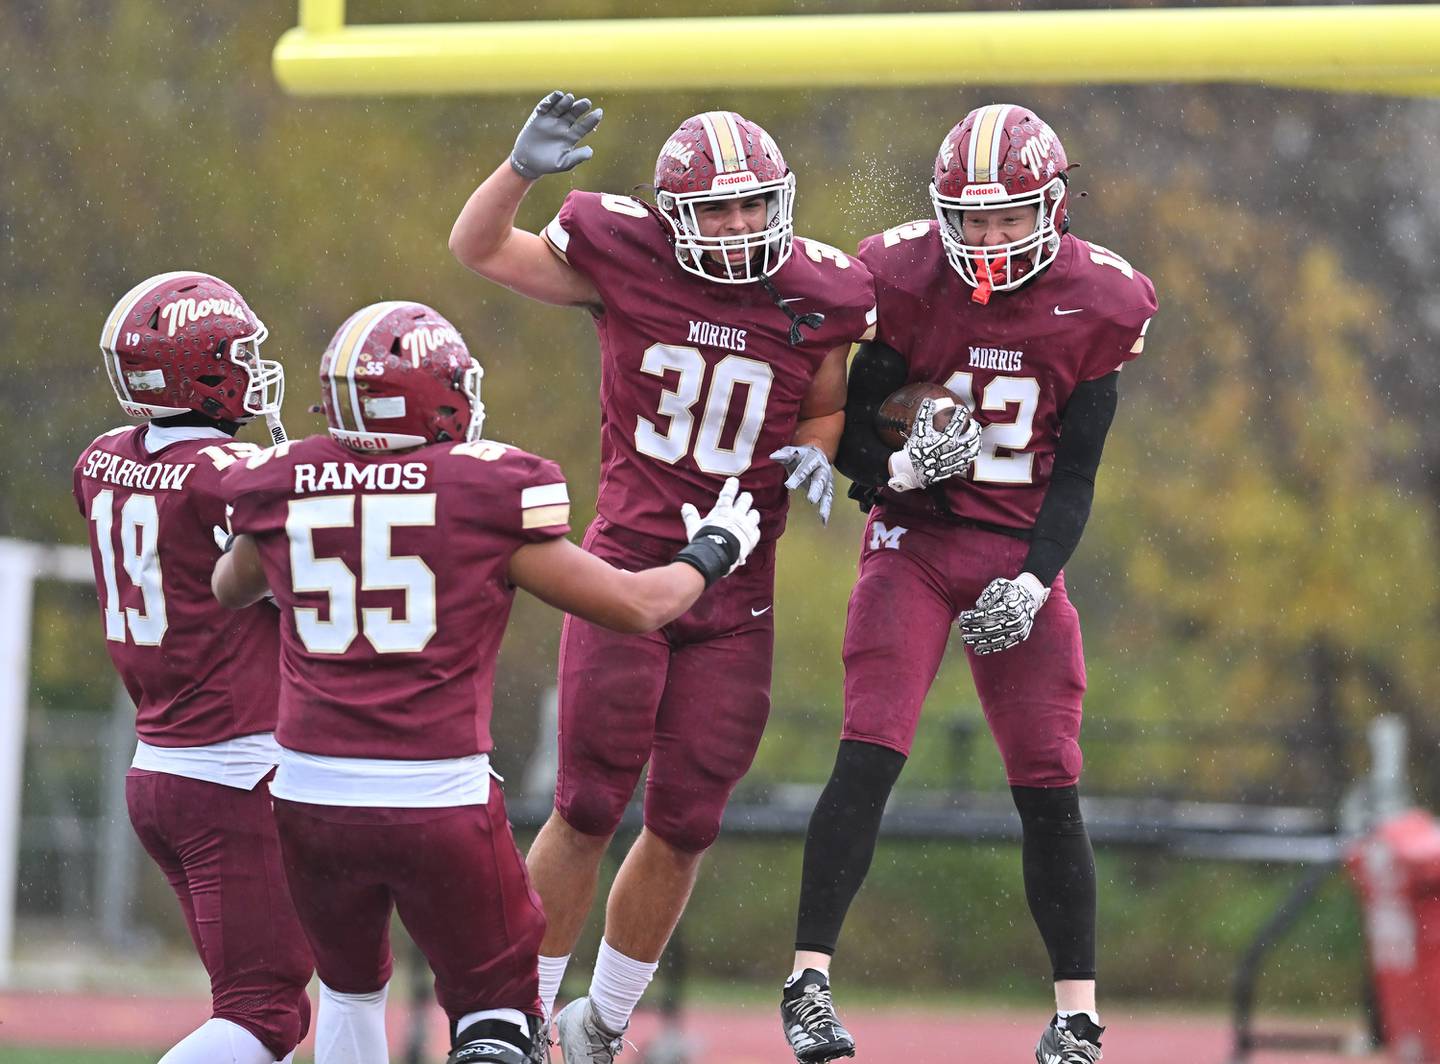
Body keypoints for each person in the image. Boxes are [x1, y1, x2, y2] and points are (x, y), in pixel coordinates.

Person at [211, 300, 761, 1064]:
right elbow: (637, 606)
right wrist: (712, 549)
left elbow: (228, 587)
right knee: (497, 1011)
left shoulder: (281, 482)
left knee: (345, 991)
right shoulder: (484, 490)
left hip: (310, 796)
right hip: (435, 795)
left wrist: (294, 553)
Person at [449, 93, 878, 1060]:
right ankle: (515, 1021)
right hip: (628, 567)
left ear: (782, 202)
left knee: (688, 819)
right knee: (590, 803)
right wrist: (517, 171)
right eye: (714, 210)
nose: (735, 227)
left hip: (740, 594)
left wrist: (820, 446)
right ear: (674, 216)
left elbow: (819, 406)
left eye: (751, 206)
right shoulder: (625, 254)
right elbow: (480, 249)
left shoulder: (822, 293)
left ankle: (599, 1024)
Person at [778, 104, 1159, 1064]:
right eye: (972, 220)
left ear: (1053, 207)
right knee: (869, 749)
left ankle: (1076, 1012)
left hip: (1020, 551)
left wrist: (1035, 583)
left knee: (1049, 782)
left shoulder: (1105, 301)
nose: (987, 239)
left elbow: (1075, 474)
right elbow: (862, 424)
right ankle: (808, 984)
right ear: (943, 214)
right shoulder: (904, 275)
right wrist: (894, 471)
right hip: (913, 538)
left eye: (1005, 219)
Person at [74, 271, 312, 1064]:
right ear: (201, 372)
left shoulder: (98, 461)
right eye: (239, 355)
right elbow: (309, 596)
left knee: (253, 1002)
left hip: (161, 769)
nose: (254, 370)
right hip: (233, 767)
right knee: (266, 1014)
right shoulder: (227, 478)